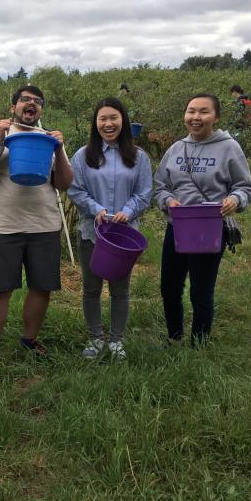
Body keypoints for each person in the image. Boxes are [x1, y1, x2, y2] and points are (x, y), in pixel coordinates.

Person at [0, 85, 73, 366]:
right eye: (25, 100)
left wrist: (60, 150)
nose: (31, 104)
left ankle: (29, 339)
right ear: (13, 106)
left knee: (42, 287)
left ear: (40, 110)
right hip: (3, 226)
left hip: (44, 226)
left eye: (37, 102)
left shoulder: (48, 139)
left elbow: (63, 184)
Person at [154, 94, 251, 347]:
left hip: (210, 230)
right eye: (191, 111)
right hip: (177, 228)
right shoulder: (176, 149)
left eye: (204, 112)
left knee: (201, 290)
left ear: (216, 117)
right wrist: (168, 201)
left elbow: (245, 187)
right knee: (169, 287)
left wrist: (234, 200)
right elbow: (160, 187)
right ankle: (174, 337)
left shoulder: (229, 148)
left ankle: (198, 344)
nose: (196, 117)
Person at [67, 97, 152, 360]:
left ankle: (116, 341)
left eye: (113, 118)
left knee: (120, 290)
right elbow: (75, 189)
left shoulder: (139, 158)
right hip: (92, 233)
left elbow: (144, 193)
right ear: (95, 123)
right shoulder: (83, 156)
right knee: (91, 289)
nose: (108, 123)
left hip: (123, 238)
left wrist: (127, 212)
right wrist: (96, 210)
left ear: (123, 121)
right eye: (102, 118)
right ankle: (95, 339)